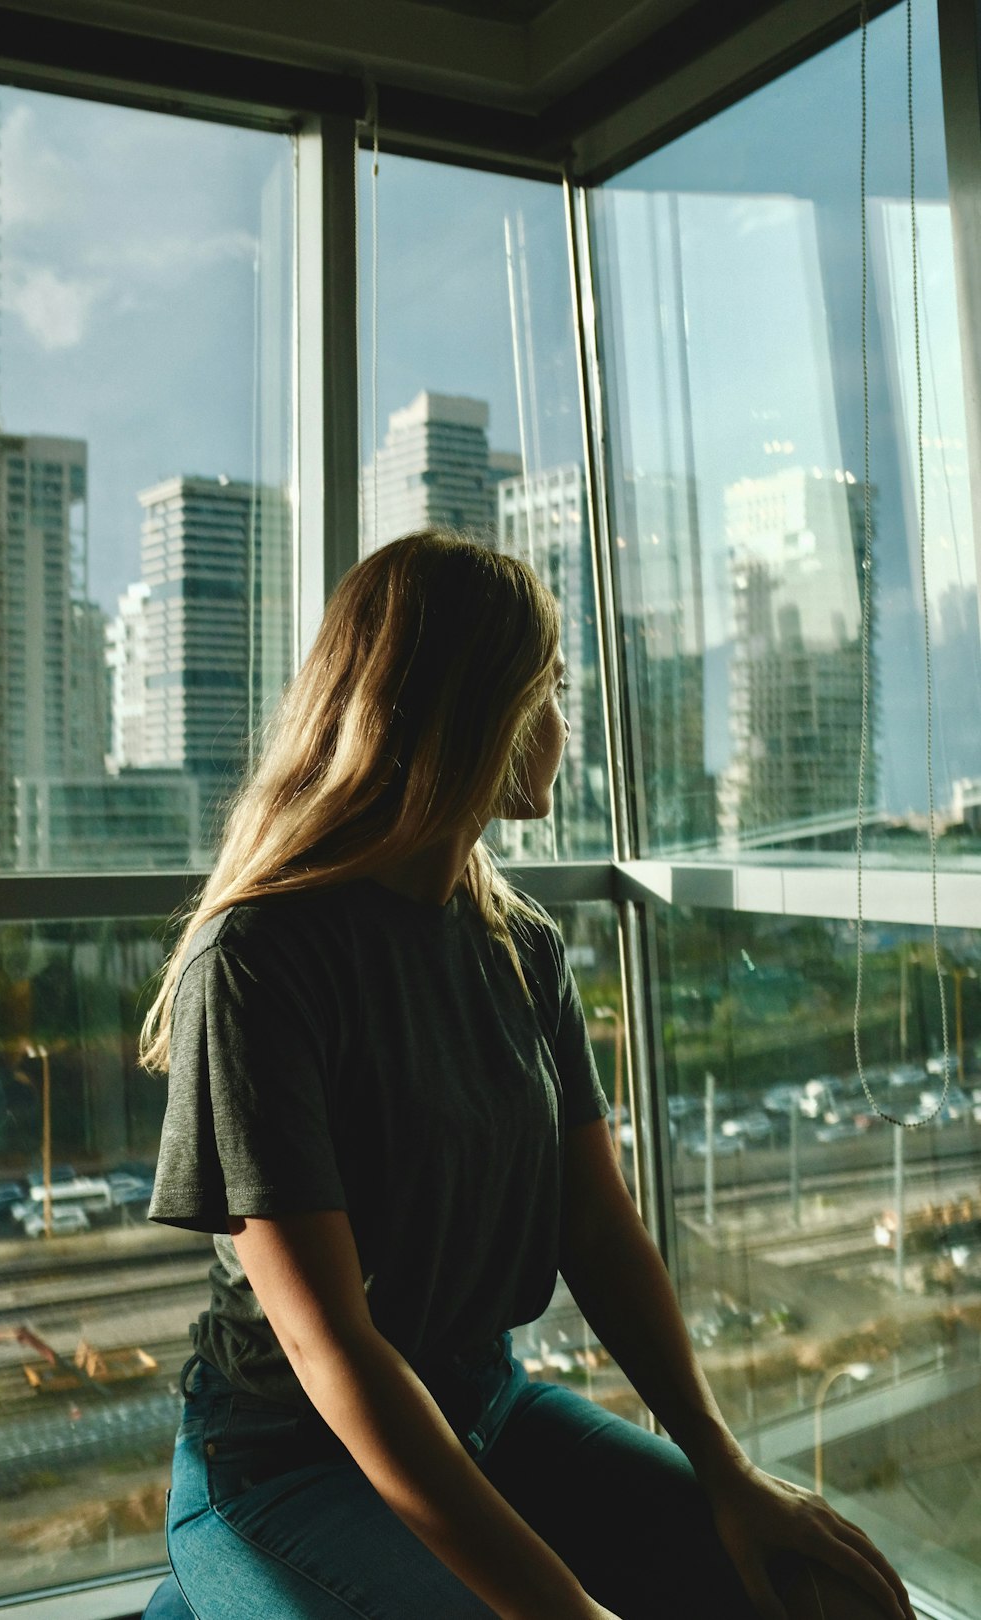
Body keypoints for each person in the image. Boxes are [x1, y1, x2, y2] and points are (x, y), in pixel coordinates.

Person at [142, 531, 914, 1620]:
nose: (565, 723)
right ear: (473, 717)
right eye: (547, 690)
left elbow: (597, 1234)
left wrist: (728, 1473)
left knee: (826, 1592)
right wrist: (565, 1609)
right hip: (289, 1465)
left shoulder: (523, 946)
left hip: (487, 1410)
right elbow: (333, 1352)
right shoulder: (260, 963)